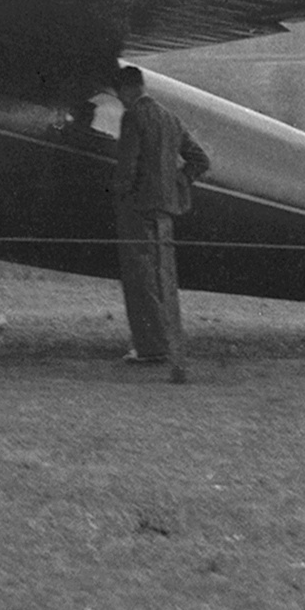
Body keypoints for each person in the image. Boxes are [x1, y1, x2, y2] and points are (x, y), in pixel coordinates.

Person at [112, 65, 210, 384]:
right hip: (166, 208)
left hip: (138, 208)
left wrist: (120, 194)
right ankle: (167, 342)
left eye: (120, 95)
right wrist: (178, 182)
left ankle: (150, 347)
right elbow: (200, 160)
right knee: (162, 275)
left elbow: (128, 165)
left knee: (140, 277)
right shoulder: (169, 117)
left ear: (127, 91)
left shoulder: (133, 118)